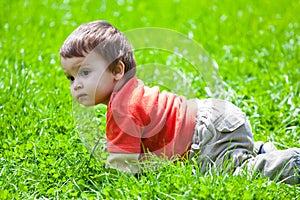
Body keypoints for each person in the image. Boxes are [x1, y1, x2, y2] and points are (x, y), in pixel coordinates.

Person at [59, 20, 299, 184]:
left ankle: (289, 163)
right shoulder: (130, 92)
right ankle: (259, 149)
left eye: (85, 73)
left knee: (230, 174)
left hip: (205, 136)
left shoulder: (122, 109)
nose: (76, 84)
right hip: (215, 117)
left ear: (117, 70)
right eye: (70, 77)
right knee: (228, 156)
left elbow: (122, 170)